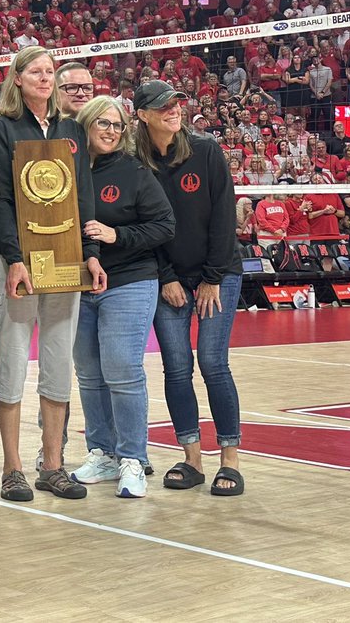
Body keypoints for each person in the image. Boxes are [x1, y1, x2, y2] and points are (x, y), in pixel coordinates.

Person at [0, 46, 106, 503]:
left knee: (57, 361)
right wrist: (14, 257)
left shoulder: (72, 130)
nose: (44, 77)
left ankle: (52, 465)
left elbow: (85, 198)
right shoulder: (1, 131)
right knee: (13, 359)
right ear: (17, 78)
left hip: (66, 258)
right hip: (16, 260)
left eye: (49, 71)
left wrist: (90, 253)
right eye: (35, 71)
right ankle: (11, 468)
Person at [133, 80, 246, 496]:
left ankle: (230, 460)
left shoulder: (206, 149)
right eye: (163, 107)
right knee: (177, 367)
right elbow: (142, 227)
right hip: (169, 279)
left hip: (217, 274)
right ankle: (192, 458)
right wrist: (166, 277)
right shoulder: (135, 161)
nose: (174, 111)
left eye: (177, 104)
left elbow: (222, 217)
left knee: (214, 363)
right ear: (143, 115)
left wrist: (213, 278)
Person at [68, 96, 174, 499]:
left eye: (117, 125)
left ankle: (133, 458)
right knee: (90, 374)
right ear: (86, 125)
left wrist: (118, 236)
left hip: (128, 281)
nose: (111, 131)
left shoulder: (134, 172)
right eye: (103, 123)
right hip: (76, 282)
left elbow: (165, 225)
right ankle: (102, 453)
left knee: (123, 371)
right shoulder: (68, 170)